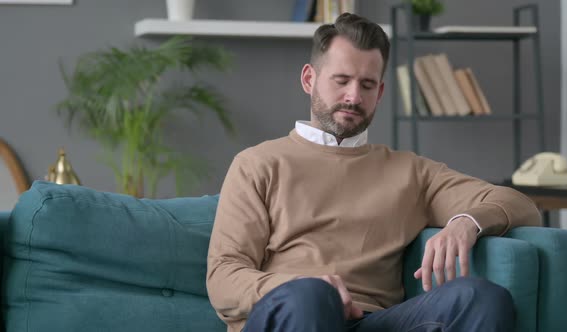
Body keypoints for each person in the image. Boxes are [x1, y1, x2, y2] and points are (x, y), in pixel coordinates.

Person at [206, 13, 541, 332]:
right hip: (294, 314)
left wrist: (467, 223)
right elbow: (223, 278)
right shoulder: (258, 164)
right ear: (309, 79)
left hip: (376, 322)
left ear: (379, 93)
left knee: (480, 298)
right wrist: (298, 284)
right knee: (311, 297)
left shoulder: (411, 172)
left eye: (367, 85)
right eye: (342, 81)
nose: (354, 96)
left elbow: (521, 205)